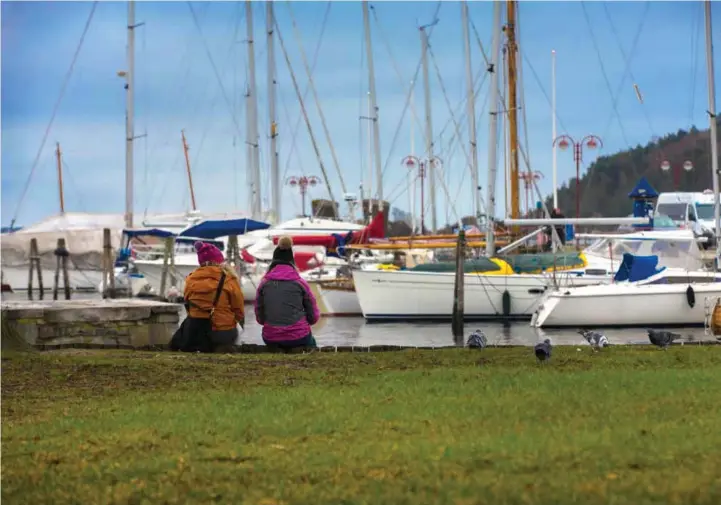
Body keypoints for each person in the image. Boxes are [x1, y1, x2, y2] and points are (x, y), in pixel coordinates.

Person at [254, 236, 320, 350]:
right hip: (299, 336)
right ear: (292, 261)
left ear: (273, 261)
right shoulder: (300, 283)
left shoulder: (264, 284)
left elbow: (259, 317)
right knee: (312, 343)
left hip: (270, 337)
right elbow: (313, 316)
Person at [182, 241, 245, 352]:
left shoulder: (190, 279)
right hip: (222, 333)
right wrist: (235, 321)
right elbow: (238, 309)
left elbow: (187, 304)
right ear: (219, 261)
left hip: (196, 332)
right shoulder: (229, 279)